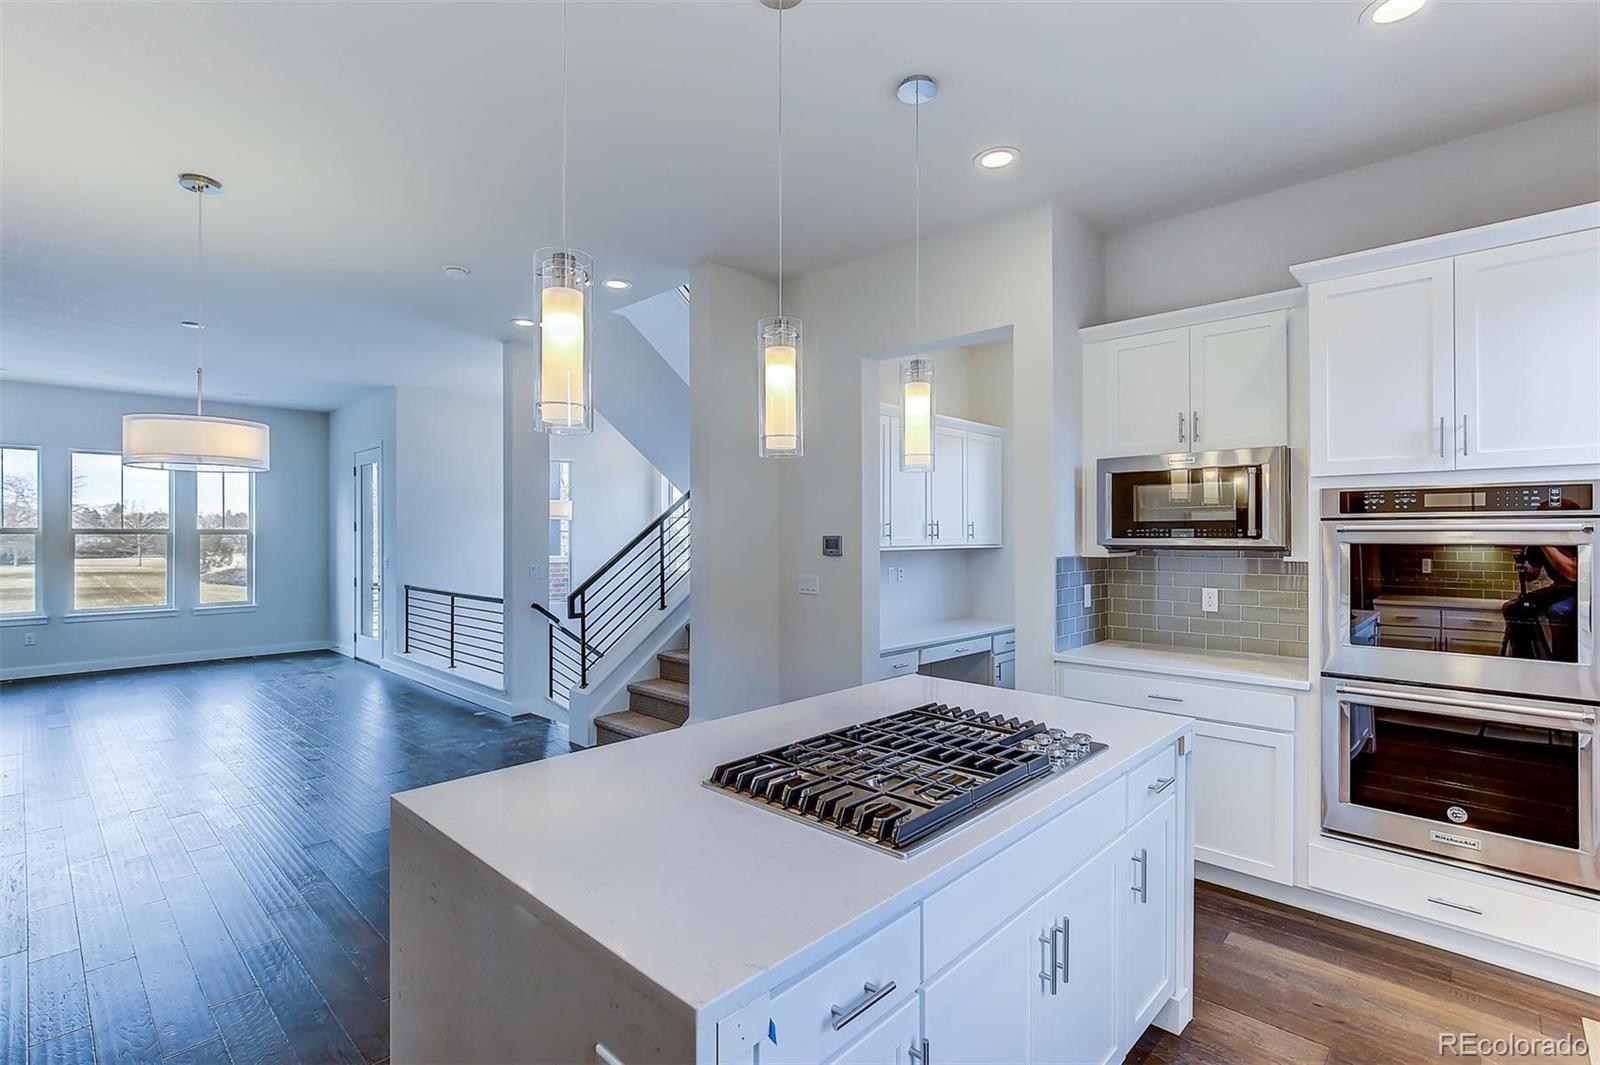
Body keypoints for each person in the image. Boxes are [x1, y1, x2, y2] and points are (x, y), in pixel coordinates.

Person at [1502, 505, 1580, 661]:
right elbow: (1532, 575)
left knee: (1558, 612)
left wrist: (1545, 542)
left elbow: (1573, 573)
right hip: (1558, 589)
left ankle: (1562, 663)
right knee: (1513, 608)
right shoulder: (1539, 542)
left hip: (1583, 590)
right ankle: (1527, 660)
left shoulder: (1575, 536)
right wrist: (1522, 560)